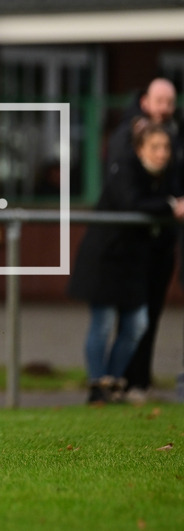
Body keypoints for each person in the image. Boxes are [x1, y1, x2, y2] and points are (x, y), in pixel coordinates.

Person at [68, 119, 184, 404]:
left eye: (166, 147)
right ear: (140, 149)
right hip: (106, 258)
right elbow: (133, 203)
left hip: (133, 261)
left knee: (137, 324)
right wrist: (171, 206)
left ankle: (115, 382)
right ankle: (98, 386)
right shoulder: (125, 170)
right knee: (103, 322)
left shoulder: (166, 176)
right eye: (155, 147)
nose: (162, 152)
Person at [105, 78, 183, 403]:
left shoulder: (177, 135)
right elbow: (129, 195)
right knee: (130, 318)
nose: (165, 107)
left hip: (162, 242)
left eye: (170, 101)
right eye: (159, 100)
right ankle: (118, 382)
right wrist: (170, 205)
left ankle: (139, 381)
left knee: (149, 316)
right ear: (145, 100)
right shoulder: (127, 136)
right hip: (131, 243)